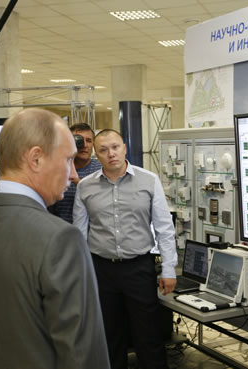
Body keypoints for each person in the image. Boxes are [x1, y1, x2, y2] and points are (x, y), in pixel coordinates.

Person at [0, 108, 110, 369]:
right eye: (67, 160)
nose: (72, 174)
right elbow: (82, 353)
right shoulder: (61, 239)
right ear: (36, 159)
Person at [73, 129, 177, 369]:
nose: (111, 154)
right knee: (109, 337)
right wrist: (81, 273)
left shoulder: (148, 180)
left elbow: (164, 228)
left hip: (139, 268)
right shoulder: (85, 187)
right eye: (103, 150)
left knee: (148, 335)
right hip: (101, 270)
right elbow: (78, 234)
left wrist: (169, 269)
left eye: (115, 147)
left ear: (124, 147)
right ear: (96, 154)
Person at [49, 123, 102, 223]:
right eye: (79, 140)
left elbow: (104, 202)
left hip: (94, 234)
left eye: (89, 141)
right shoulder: (59, 169)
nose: (84, 145)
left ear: (93, 144)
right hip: (63, 231)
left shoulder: (101, 169)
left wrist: (78, 182)